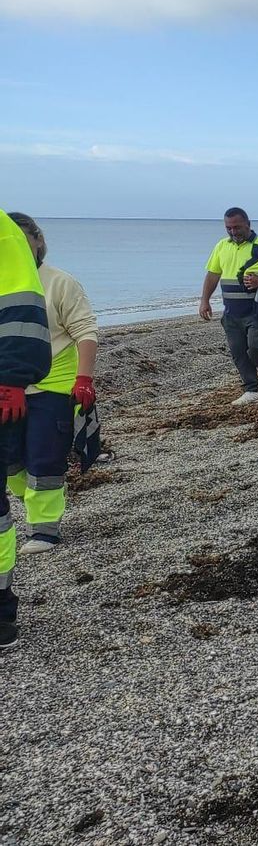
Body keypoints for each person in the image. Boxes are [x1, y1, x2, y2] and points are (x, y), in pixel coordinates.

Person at [4, 214, 97, 558]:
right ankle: (38, 504)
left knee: (44, 457)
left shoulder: (59, 282)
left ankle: (45, 529)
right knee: (10, 460)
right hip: (7, 389)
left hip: (54, 386)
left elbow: (85, 331)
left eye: (23, 240)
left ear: (38, 241)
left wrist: (84, 380)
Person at [0, 210, 53, 649]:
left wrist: (13, 377)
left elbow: (22, 314)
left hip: (31, 388)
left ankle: (46, 528)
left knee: (41, 463)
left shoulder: (4, 233)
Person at [199, 207, 258, 405]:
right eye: (228, 228)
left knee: (256, 348)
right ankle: (252, 390)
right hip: (231, 311)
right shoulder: (222, 246)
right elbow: (213, 274)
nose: (233, 232)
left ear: (248, 224)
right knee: (238, 351)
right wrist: (205, 300)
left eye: (237, 227)